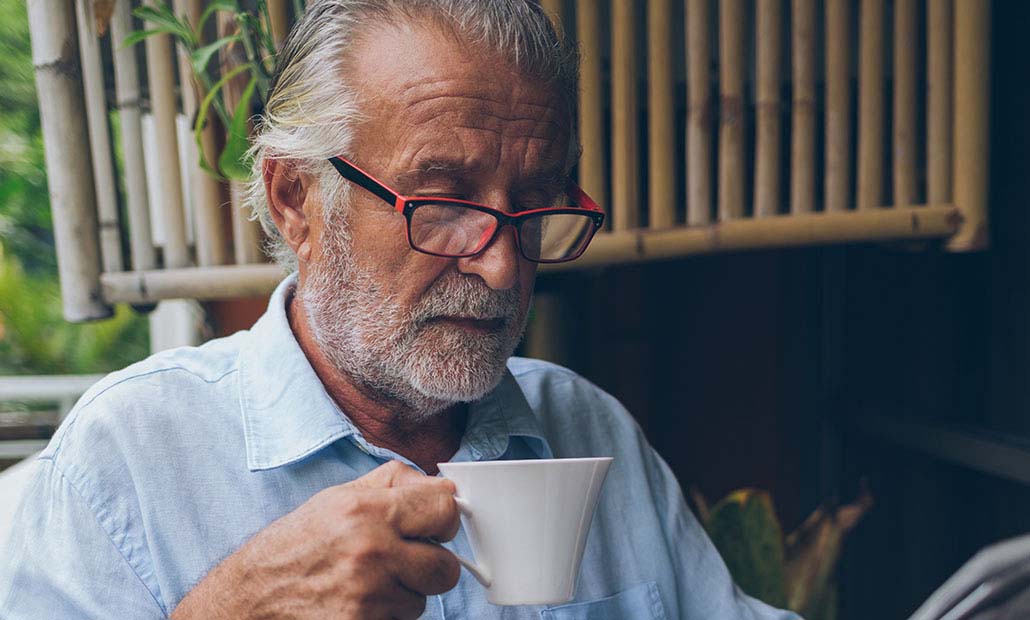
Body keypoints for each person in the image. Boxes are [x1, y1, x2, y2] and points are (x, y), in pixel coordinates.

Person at [0, 1, 800, 618]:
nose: (499, 264)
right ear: (296, 199)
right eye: (444, 201)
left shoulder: (589, 428)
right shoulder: (129, 460)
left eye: (532, 205)